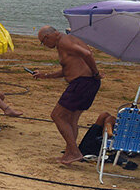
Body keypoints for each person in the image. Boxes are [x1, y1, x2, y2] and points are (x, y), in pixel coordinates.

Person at [34, 26, 101, 165]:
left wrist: (95, 72)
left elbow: (87, 54)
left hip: (82, 83)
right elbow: (68, 69)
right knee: (71, 119)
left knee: (57, 115)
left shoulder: (64, 42)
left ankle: (75, 151)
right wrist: (45, 76)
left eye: (43, 42)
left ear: (48, 37)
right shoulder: (66, 41)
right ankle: (70, 153)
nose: (45, 46)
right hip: (87, 83)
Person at [78, 90, 140, 164]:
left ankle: (105, 145)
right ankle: (93, 145)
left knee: (109, 119)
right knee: (104, 115)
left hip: (136, 139)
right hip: (132, 133)